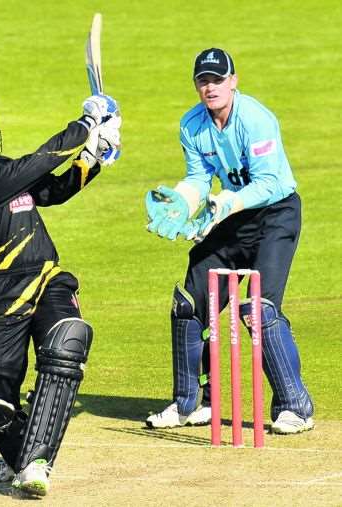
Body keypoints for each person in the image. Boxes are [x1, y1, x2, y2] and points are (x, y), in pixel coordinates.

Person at [0, 92, 121, 496]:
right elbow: (41, 160)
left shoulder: (3, 170)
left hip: (47, 277)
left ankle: (36, 463)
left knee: (66, 343)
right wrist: (87, 125)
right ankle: (17, 457)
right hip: (5, 292)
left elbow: (54, 190)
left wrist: (94, 158)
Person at [145, 48, 314, 435]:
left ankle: (296, 406)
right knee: (188, 303)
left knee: (259, 308)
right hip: (233, 214)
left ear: (233, 81)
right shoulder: (192, 124)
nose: (210, 87)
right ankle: (192, 403)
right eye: (203, 80)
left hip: (275, 215)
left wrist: (225, 203)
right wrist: (181, 202)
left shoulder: (255, 119)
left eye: (218, 80)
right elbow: (199, 177)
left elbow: (270, 183)